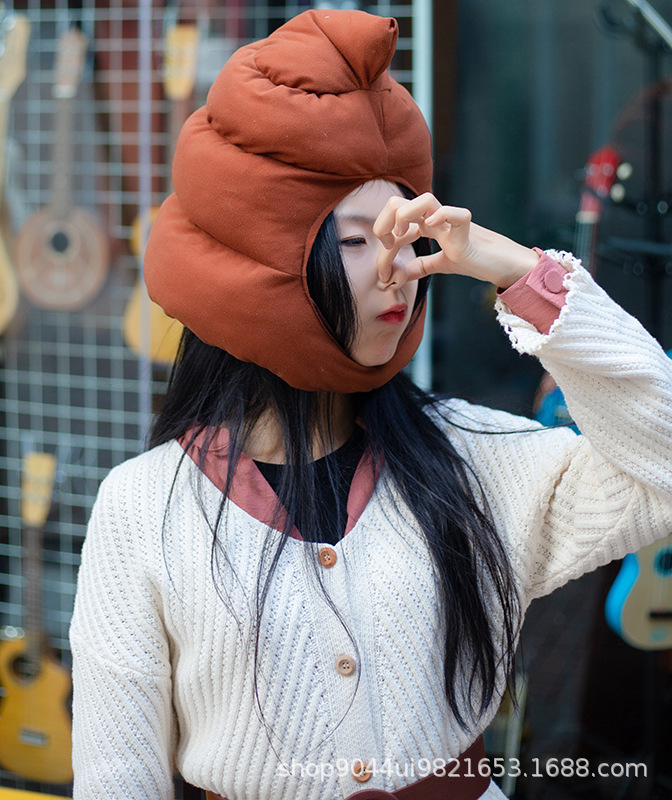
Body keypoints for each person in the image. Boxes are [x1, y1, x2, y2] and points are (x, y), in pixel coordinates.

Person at [69, 9, 672, 800]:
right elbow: (118, 781)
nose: (395, 269)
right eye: (354, 241)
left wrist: (519, 272)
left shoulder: (475, 458)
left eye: (405, 238)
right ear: (261, 266)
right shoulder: (143, 508)